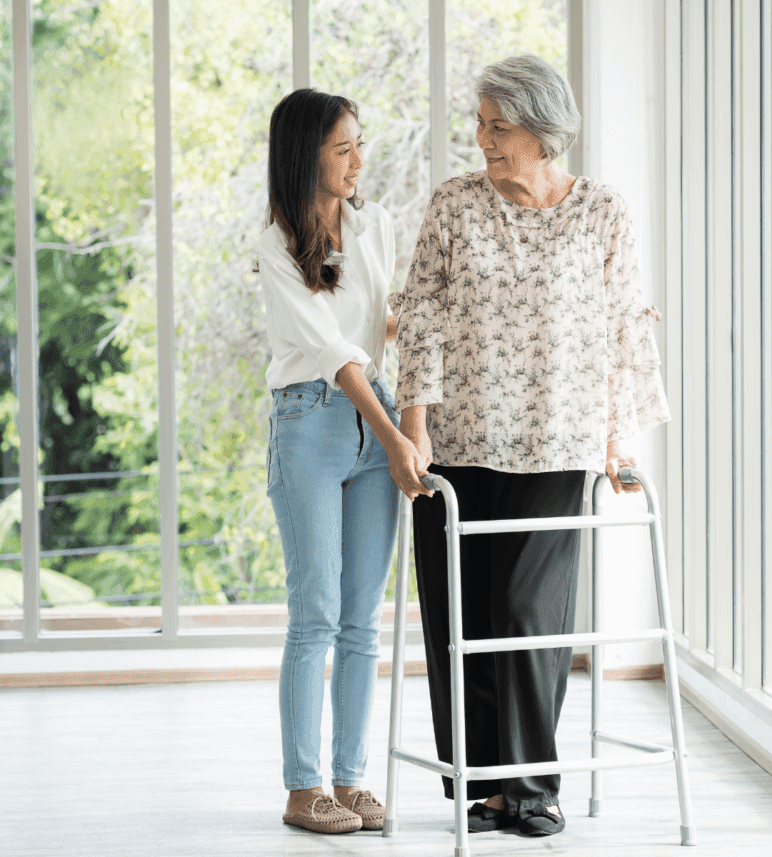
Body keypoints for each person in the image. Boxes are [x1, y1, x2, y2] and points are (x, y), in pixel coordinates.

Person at [391, 55, 671, 838]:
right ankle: (483, 787)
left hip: (559, 439)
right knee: (461, 610)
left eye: (498, 126)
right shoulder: (453, 206)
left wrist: (620, 438)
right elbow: (421, 319)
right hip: (458, 442)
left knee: (524, 609)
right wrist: (413, 426)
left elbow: (624, 323)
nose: (481, 138)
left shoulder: (602, 212)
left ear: (544, 133)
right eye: (479, 123)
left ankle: (531, 785)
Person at [255, 89, 432, 836]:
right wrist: (394, 438)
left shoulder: (372, 227)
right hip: (313, 422)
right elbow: (334, 352)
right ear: (307, 155)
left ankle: (350, 779)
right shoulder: (275, 242)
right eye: (343, 148)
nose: (360, 159)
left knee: (364, 617)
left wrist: (425, 319)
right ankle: (303, 787)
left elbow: (380, 322)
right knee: (317, 613)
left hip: (375, 415)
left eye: (360, 144)